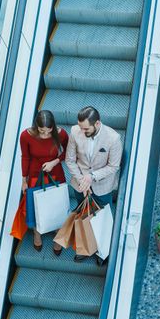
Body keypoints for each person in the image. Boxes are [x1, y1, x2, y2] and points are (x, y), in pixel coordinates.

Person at [65, 106, 123, 263]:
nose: (82, 131)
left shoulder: (113, 138)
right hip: (80, 184)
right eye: (81, 128)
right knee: (84, 216)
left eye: (86, 128)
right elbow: (70, 160)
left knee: (103, 220)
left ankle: (103, 251)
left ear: (97, 123)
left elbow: (113, 166)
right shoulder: (75, 131)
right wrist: (82, 180)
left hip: (102, 186)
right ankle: (86, 248)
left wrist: (92, 177)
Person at [20, 110, 68, 255]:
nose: (46, 134)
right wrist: (24, 180)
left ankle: (58, 234)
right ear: (36, 127)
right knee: (36, 205)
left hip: (55, 172)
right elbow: (25, 157)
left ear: (53, 127)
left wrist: (55, 161)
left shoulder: (61, 134)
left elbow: (68, 152)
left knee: (57, 204)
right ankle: (37, 233)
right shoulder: (26, 136)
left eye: (49, 131)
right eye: (42, 131)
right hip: (35, 174)